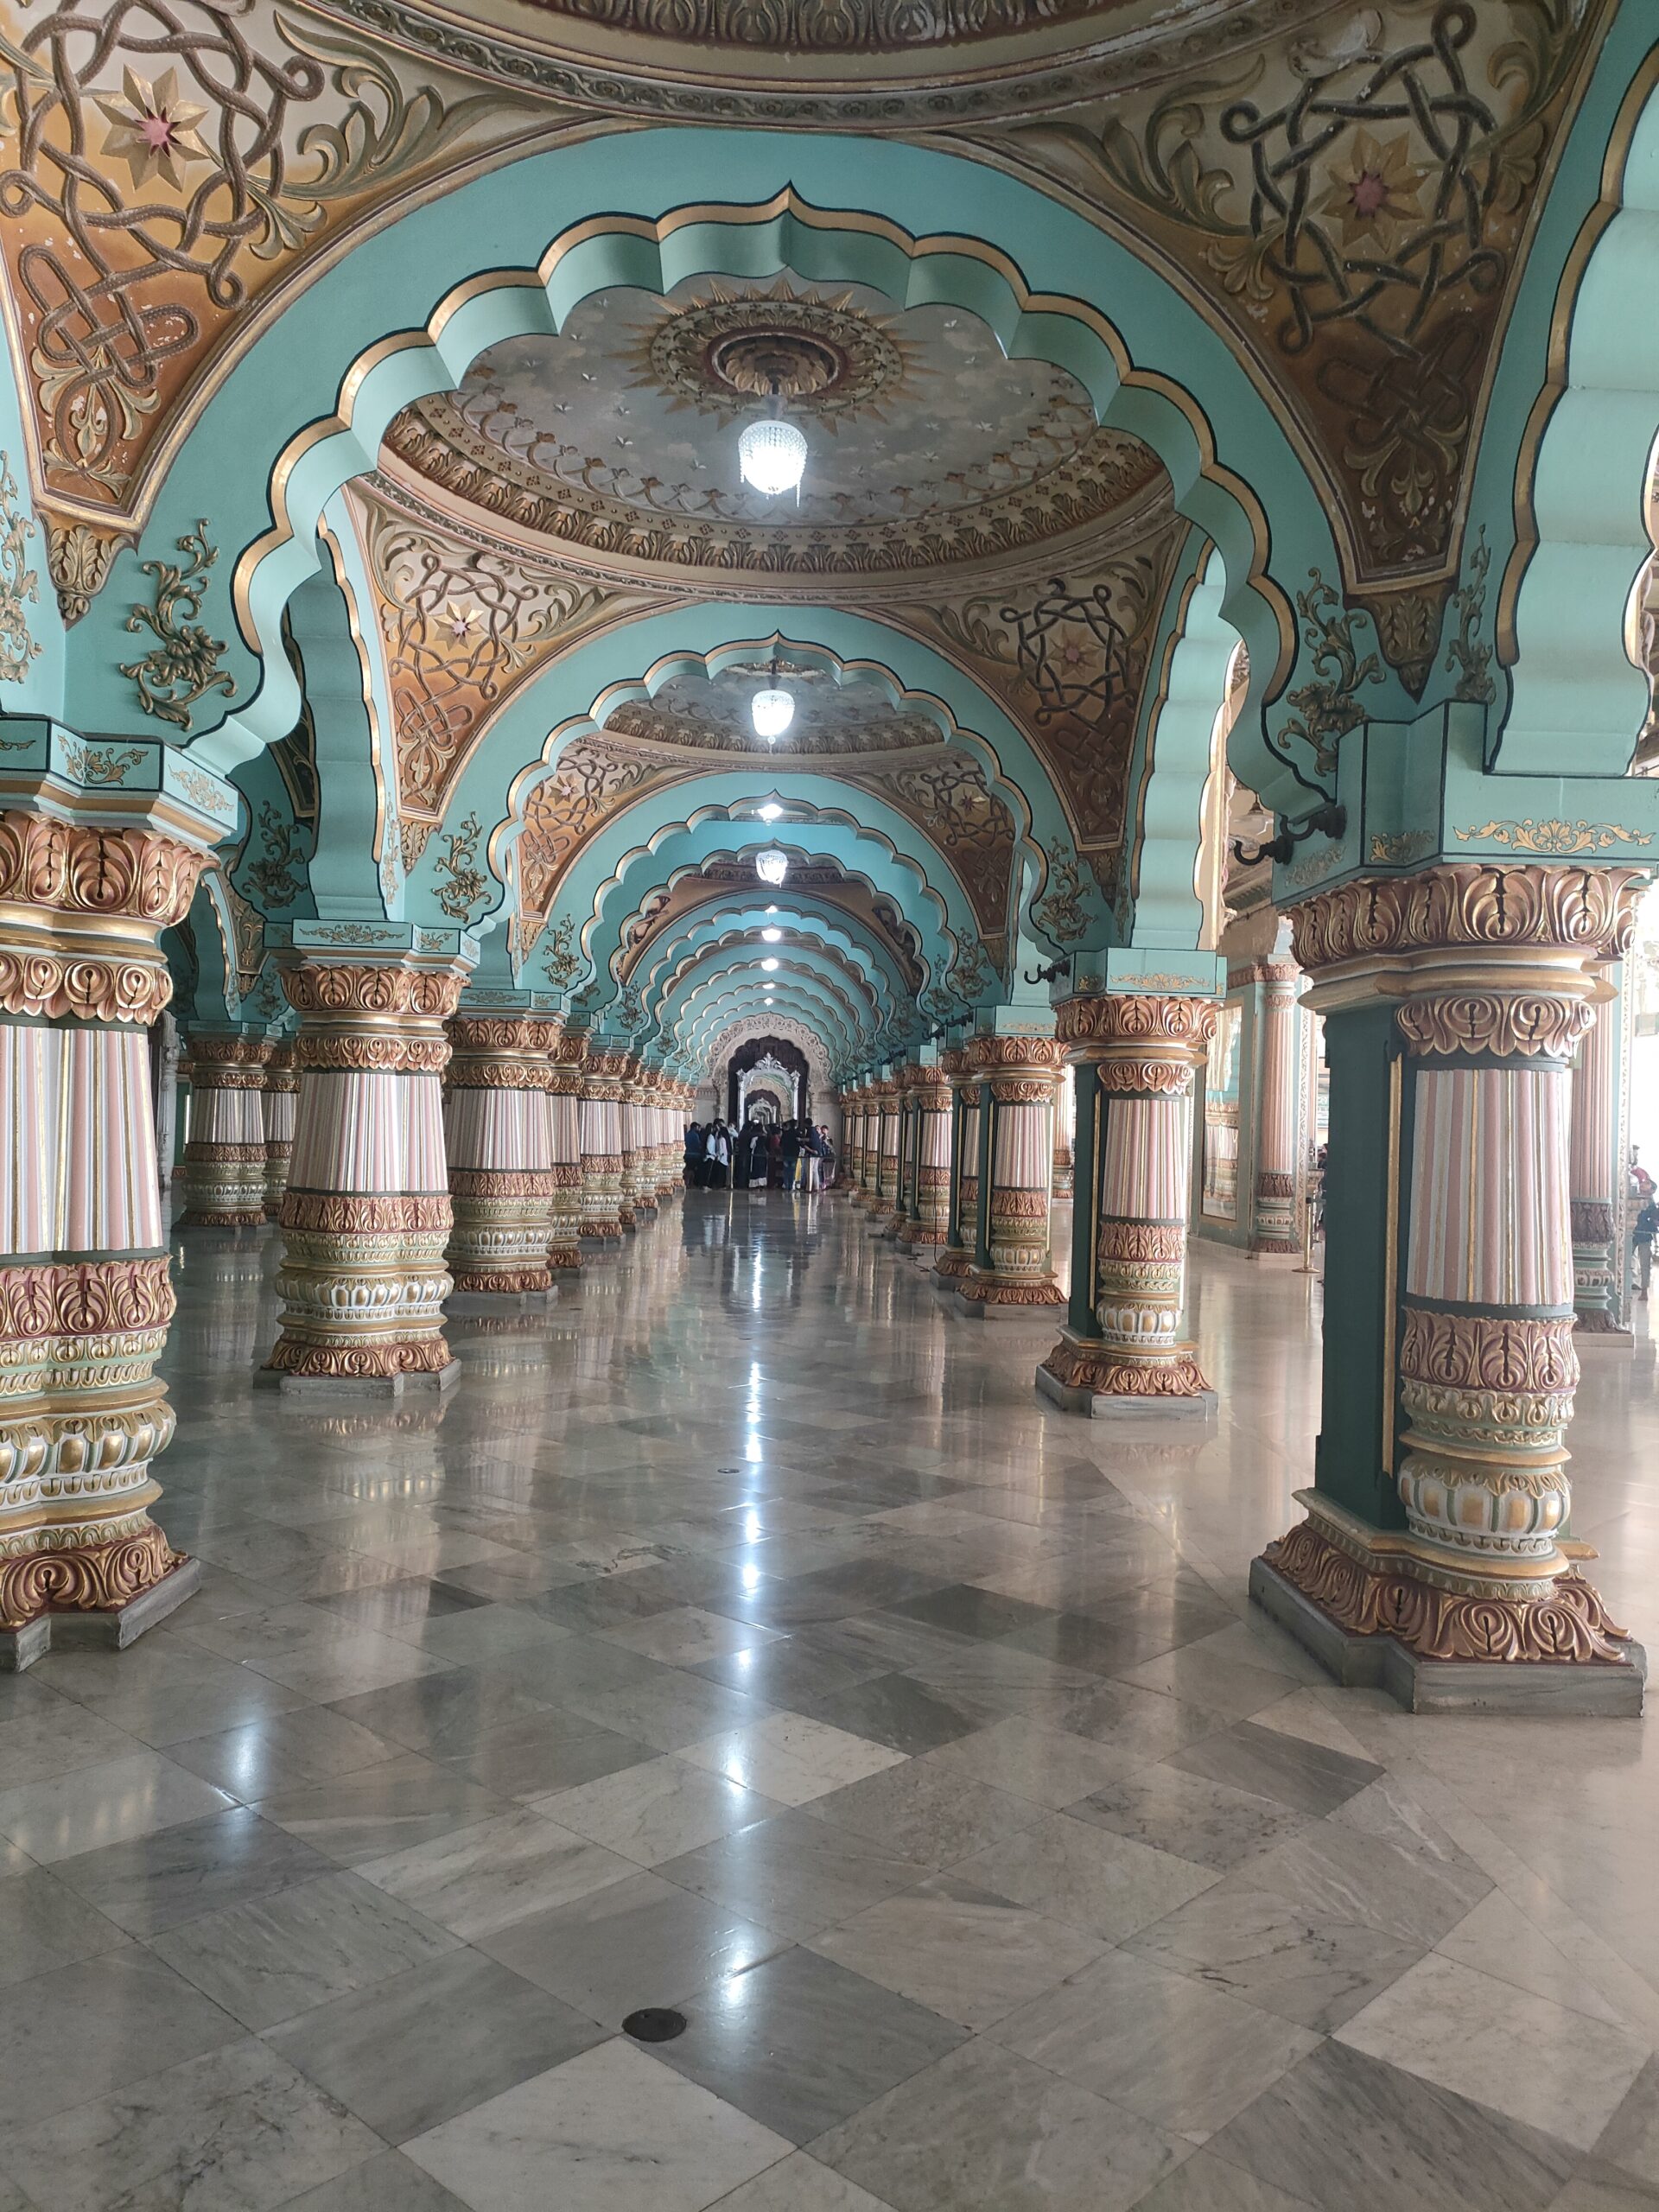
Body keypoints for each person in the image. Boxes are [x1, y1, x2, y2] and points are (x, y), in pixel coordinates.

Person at [1637, 1193, 1657, 1301]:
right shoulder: (1635, 1196)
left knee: (1645, 1264)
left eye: (1647, 1184)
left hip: (1643, 1234)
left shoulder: (1652, 1206)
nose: (1643, 1185)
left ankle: (1644, 1291)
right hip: (1634, 1232)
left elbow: (1655, 1220)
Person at [705, 1118, 730, 1191]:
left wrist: (718, 1155)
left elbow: (721, 1149)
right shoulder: (721, 1139)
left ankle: (720, 1185)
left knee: (721, 1172)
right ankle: (720, 1185)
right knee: (721, 1173)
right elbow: (722, 1149)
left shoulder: (720, 1139)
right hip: (721, 1157)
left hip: (720, 1157)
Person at [683, 1119, 706, 1189]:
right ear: (694, 1127)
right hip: (694, 1155)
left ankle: (687, 1182)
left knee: (688, 1169)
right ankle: (689, 1183)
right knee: (692, 1170)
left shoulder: (687, 1135)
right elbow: (697, 1145)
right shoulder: (695, 1135)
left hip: (687, 1154)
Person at [781, 1116, 802, 1191]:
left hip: (786, 1154)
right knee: (792, 1170)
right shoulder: (798, 1133)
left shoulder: (785, 1134)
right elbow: (801, 1143)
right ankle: (791, 1185)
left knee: (786, 1170)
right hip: (794, 1154)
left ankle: (786, 1185)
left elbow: (781, 1144)